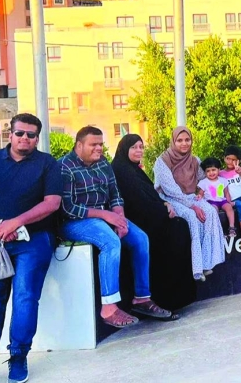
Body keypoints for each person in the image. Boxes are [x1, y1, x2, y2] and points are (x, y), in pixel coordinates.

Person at [0, 113, 62, 383]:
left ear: (37, 138)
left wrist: (16, 222)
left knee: (25, 298)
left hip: (33, 241)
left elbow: (52, 203)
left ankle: (18, 356)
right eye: (20, 133)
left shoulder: (47, 164)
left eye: (31, 135)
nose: (25, 139)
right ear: (11, 134)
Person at [59, 126, 173, 329]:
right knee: (110, 242)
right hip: (75, 221)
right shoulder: (64, 167)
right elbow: (68, 208)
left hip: (106, 216)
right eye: (93, 144)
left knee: (140, 239)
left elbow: (115, 194)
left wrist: (119, 217)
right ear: (79, 145)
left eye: (100, 144)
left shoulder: (103, 162)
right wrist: (106, 215)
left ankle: (141, 298)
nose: (99, 148)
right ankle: (109, 308)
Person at [111, 134, 197, 313]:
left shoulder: (134, 170)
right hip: (136, 219)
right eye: (134, 147)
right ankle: (164, 299)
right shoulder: (120, 170)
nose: (139, 151)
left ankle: (177, 298)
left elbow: (149, 194)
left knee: (180, 227)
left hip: (150, 214)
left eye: (141, 147)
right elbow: (136, 202)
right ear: (124, 149)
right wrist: (163, 211)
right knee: (175, 231)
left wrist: (164, 204)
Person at [154, 126, 226, 281]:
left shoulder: (194, 160)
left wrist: (203, 196)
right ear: (173, 141)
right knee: (191, 217)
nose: (184, 143)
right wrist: (193, 206)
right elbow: (170, 190)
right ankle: (196, 269)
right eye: (179, 140)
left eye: (187, 140)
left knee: (210, 212)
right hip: (170, 198)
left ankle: (207, 263)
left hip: (191, 196)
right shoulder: (163, 161)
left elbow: (203, 180)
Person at [198, 156, 238, 241]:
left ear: (219, 170)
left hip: (222, 200)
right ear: (205, 172)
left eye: (213, 170)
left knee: (229, 208)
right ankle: (218, 230)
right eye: (208, 171)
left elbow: (226, 193)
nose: (211, 173)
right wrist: (199, 196)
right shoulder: (203, 182)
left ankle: (232, 227)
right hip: (211, 202)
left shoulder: (223, 180)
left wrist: (229, 201)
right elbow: (201, 193)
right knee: (214, 210)